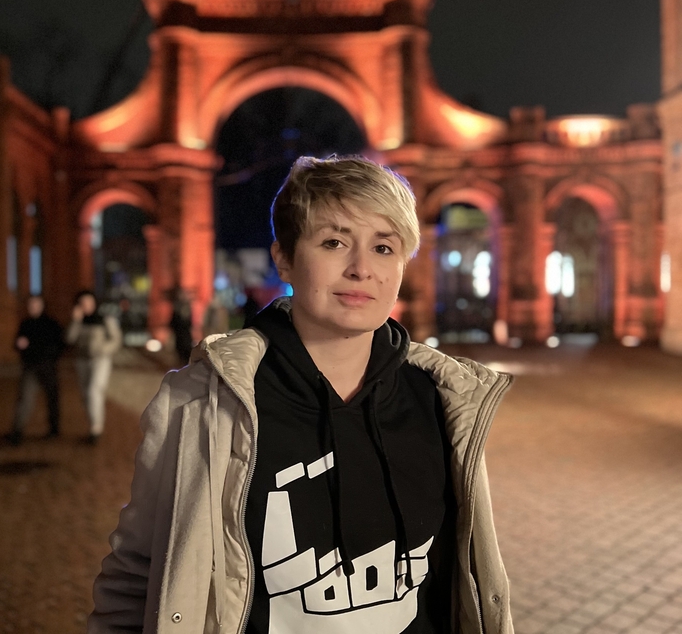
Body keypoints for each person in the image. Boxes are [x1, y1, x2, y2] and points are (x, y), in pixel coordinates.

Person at [89, 156, 514, 634]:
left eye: (383, 247)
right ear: (284, 257)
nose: (361, 269)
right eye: (334, 242)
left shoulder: (446, 401)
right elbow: (135, 578)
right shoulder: (203, 404)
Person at [6, 295, 64, 445]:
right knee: (25, 398)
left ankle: (54, 428)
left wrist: (49, 356)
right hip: (30, 366)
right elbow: (17, 342)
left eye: (36, 304)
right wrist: (20, 345)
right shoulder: (26, 323)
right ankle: (17, 431)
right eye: (31, 305)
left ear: (42, 305)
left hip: (47, 366)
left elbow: (60, 345)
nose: (33, 307)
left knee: (52, 398)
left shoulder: (51, 324)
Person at [66, 290, 122, 444]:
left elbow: (116, 340)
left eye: (89, 303)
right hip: (82, 361)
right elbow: (69, 339)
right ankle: (93, 422)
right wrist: (75, 321)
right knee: (85, 394)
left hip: (101, 360)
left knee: (94, 391)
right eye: (82, 303)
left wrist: (103, 349)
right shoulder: (79, 321)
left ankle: (96, 428)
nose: (87, 306)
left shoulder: (105, 319)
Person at [169, 286, 193, 364]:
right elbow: (173, 318)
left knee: (186, 348)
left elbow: (189, 320)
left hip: (185, 332)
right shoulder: (177, 306)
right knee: (179, 349)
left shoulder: (186, 306)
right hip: (179, 332)